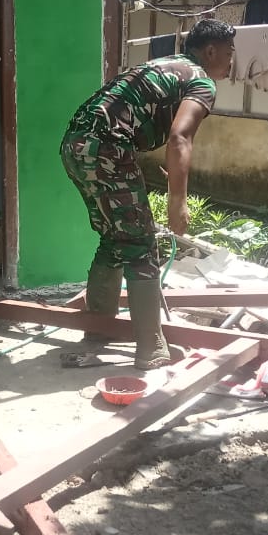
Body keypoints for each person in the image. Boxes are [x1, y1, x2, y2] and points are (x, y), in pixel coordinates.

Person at [60, 19, 236, 369]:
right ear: (211, 50)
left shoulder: (165, 65)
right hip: (109, 150)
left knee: (115, 238)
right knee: (141, 244)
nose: (231, 62)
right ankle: (151, 348)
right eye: (229, 53)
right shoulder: (200, 81)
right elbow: (179, 138)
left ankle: (99, 332)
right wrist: (178, 203)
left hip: (74, 145)